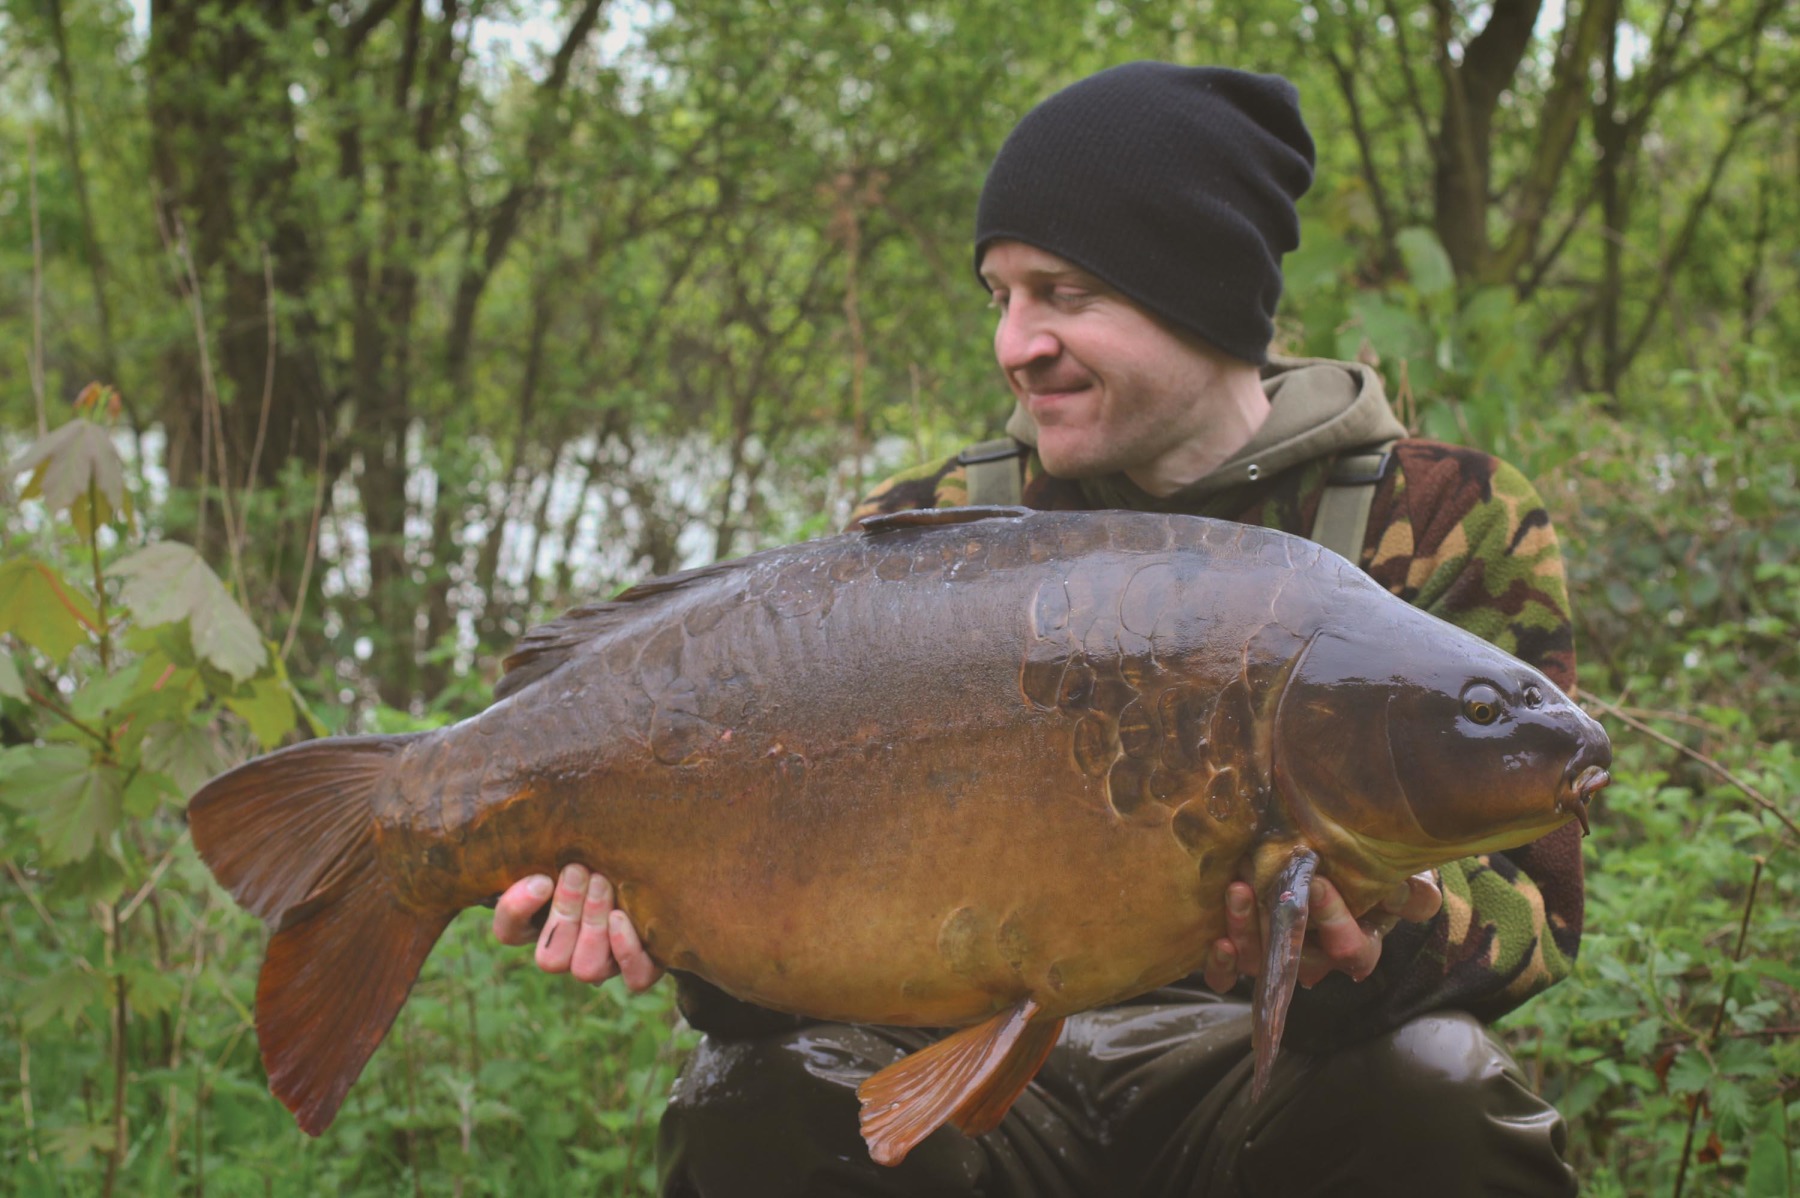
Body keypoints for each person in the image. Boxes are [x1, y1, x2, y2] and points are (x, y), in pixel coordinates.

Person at [492, 62, 1585, 1195]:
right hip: (983, 1084)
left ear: (1200, 289)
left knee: (1443, 1086)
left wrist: (1366, 944)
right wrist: (685, 934)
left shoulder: (1445, 516)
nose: (1017, 345)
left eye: (1064, 293)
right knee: (747, 1098)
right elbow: (817, 914)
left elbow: (1539, 913)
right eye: (999, 296)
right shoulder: (926, 534)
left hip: (1270, 1082)